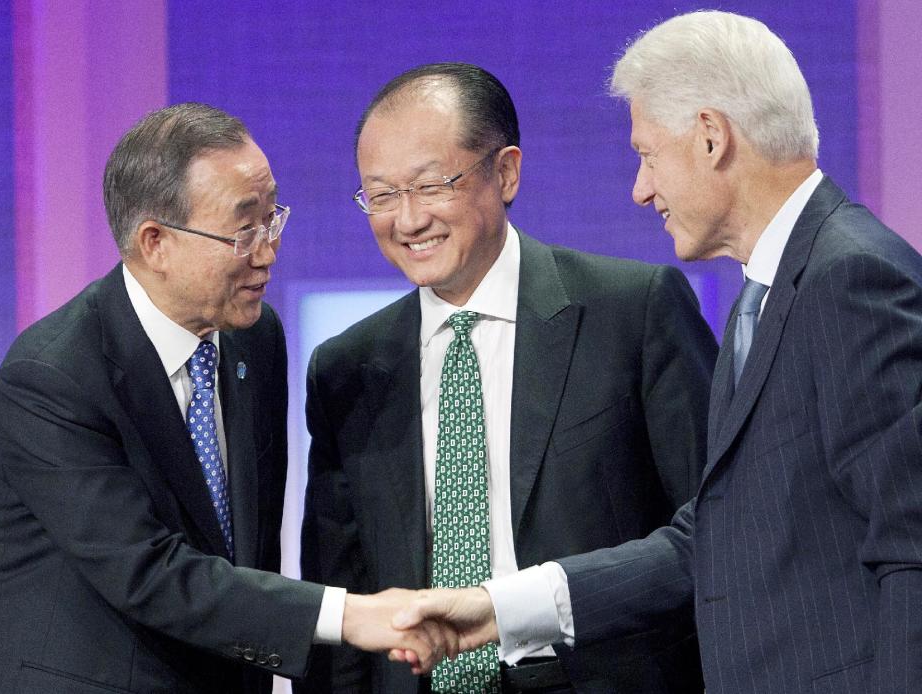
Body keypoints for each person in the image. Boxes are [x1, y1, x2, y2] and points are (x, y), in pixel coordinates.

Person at [393, 11, 922, 694]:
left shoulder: (850, 279)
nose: (641, 189)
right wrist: (499, 608)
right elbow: (712, 540)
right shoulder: (763, 300)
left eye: (647, 154)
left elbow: (912, 548)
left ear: (710, 137)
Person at [0, 102, 452, 694]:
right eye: (244, 230)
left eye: (273, 219)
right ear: (155, 243)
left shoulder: (254, 339)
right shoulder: (53, 377)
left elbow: (246, 553)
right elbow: (148, 572)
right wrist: (350, 615)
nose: (268, 251)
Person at [298, 63, 718, 693]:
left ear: (506, 172)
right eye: (381, 195)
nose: (407, 220)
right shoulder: (347, 368)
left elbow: (715, 528)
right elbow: (343, 593)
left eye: (431, 184)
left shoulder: (633, 312)